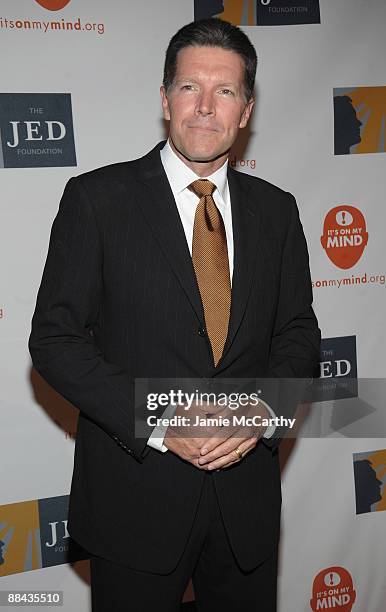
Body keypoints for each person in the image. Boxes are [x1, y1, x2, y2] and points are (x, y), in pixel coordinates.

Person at [29, 17, 320, 612]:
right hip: (135, 503)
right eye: (191, 88)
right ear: (165, 99)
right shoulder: (97, 200)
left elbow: (297, 334)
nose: (206, 107)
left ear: (246, 110)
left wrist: (263, 412)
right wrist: (163, 424)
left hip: (247, 507)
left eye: (226, 91)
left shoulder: (278, 211)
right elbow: (55, 341)